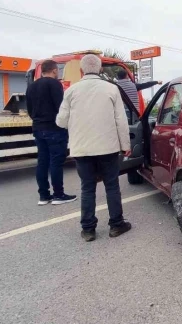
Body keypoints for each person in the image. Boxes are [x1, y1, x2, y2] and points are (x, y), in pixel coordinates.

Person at [56, 54, 132, 242]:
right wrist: (125, 145)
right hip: (108, 147)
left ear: (81, 71)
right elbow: (121, 121)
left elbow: (61, 121)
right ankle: (116, 225)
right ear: (100, 70)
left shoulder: (71, 91)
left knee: (87, 188)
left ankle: (88, 229)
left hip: (82, 149)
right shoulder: (111, 89)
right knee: (112, 186)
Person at [25, 60, 76, 206]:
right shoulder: (54, 84)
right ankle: (58, 195)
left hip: (38, 128)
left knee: (42, 162)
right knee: (56, 162)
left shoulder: (32, 86)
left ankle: (44, 195)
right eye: (57, 71)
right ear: (54, 71)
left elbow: (29, 109)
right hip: (54, 128)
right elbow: (61, 107)